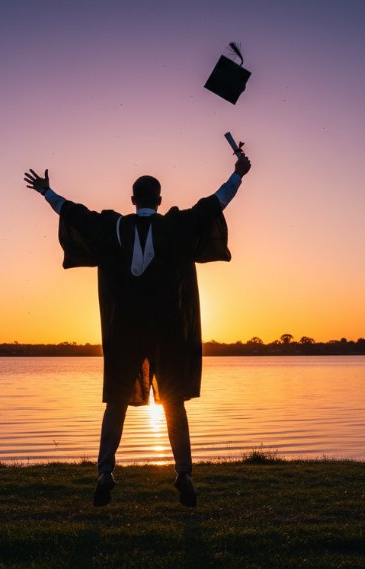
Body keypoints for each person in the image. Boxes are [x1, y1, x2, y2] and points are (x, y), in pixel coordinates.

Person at [24, 151, 251, 507]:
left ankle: (104, 472)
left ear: (133, 200)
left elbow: (75, 214)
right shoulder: (176, 225)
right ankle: (184, 474)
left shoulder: (114, 227)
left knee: (116, 401)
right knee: (174, 403)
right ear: (159, 201)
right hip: (169, 332)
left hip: (125, 331)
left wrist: (46, 192)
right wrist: (238, 174)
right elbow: (214, 204)